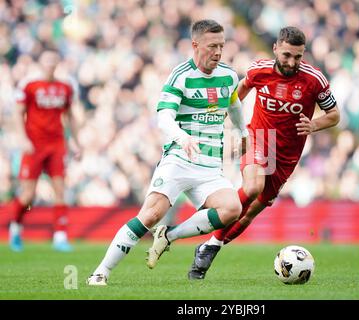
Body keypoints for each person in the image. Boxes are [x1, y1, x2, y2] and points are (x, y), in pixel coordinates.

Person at [87, 19, 249, 286]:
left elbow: (234, 105)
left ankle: (169, 235)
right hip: (179, 160)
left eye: (222, 45)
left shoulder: (229, 75)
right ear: (195, 45)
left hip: (209, 166)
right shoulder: (181, 75)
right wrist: (181, 136)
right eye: (212, 46)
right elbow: (163, 117)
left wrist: (243, 133)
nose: (218, 52)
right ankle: (100, 272)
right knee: (149, 215)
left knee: (232, 208)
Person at [188, 26, 341, 280]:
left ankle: (210, 247)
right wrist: (229, 118)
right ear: (276, 49)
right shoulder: (259, 70)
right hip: (259, 138)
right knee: (253, 187)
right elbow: (241, 90)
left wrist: (314, 124)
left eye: (298, 57)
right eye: (287, 55)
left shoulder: (314, 80)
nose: (292, 62)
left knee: (249, 214)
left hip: (287, 157)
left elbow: (335, 115)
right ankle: (211, 233)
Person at [8, 50, 81, 252]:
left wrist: (75, 141)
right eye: (46, 60)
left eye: (53, 61)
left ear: (57, 63)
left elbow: (70, 116)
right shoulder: (29, 85)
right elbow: (17, 113)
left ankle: (60, 236)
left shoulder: (65, 87)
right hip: (34, 144)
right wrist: (22, 139)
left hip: (56, 144)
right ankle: (15, 228)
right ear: (40, 63)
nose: (50, 64)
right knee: (28, 195)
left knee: (60, 189)